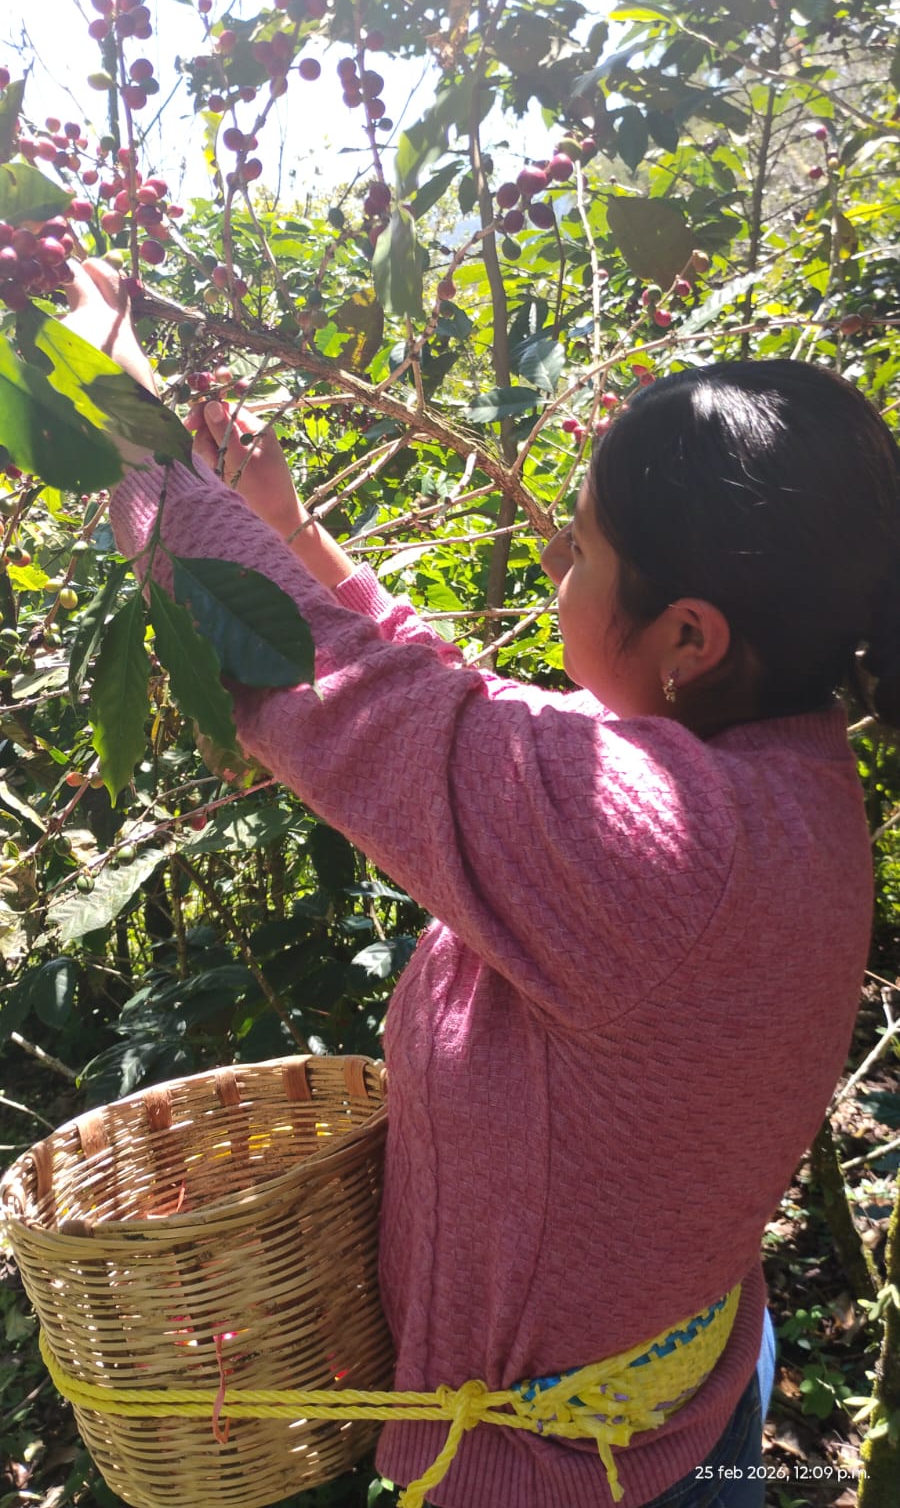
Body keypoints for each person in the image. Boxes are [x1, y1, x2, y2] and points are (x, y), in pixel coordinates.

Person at [61, 259, 900, 1508]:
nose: (557, 550)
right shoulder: (782, 774)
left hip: (562, 1470)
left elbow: (350, 701)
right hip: (693, 1381)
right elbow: (486, 723)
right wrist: (290, 531)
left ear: (689, 637)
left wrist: (117, 419)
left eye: (586, 543)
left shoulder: (663, 861)